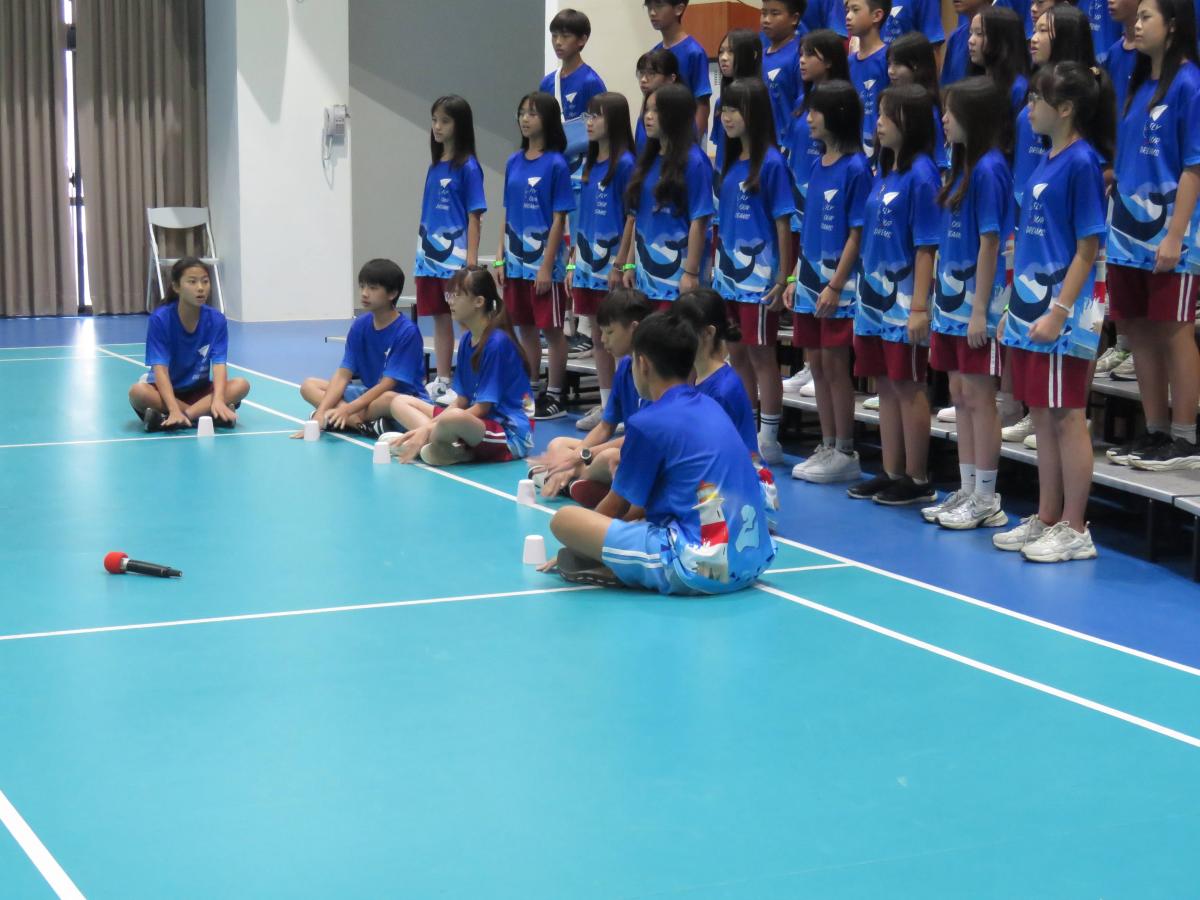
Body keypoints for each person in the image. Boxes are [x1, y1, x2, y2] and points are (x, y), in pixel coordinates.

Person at [540, 311, 776, 594]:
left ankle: (619, 567)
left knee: (565, 520)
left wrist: (580, 544)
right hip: (753, 560)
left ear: (642, 363)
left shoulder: (647, 422)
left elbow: (615, 507)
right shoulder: (711, 405)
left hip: (703, 568)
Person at [995, 61, 1111, 561]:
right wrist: (1016, 308)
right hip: (1033, 309)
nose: (1029, 109)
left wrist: (1060, 311)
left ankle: (1076, 527)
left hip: (1066, 313)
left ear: (1064, 108)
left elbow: (1088, 247)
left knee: (1067, 416)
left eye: (1036, 100)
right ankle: (1046, 517)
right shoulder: (1046, 159)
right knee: (1042, 415)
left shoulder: (1082, 162)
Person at [1108, 0, 1200, 470]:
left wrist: (1175, 235)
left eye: (1147, 17)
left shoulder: (1190, 84)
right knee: (1139, 331)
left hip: (1171, 234)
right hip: (1126, 232)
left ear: (1174, 25)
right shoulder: (1139, 83)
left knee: (1174, 330)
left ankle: (1185, 438)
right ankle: (1155, 429)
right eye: (1137, 16)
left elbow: (1193, 168)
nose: (1137, 24)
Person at [924, 78, 1014, 530]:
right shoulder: (960, 167)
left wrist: (980, 310)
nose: (944, 119)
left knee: (979, 398)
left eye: (951, 111)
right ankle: (966, 487)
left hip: (978, 304)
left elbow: (990, 242)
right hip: (950, 302)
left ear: (974, 117)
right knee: (959, 395)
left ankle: (986, 498)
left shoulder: (989, 169)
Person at [847, 85, 941, 506]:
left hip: (904, 299)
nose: (879, 123)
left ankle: (918, 478)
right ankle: (891, 470)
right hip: (873, 295)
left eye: (888, 115)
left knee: (908, 383)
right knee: (883, 383)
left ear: (911, 121)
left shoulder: (922, 174)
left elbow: (926, 246)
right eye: (879, 114)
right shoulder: (886, 170)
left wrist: (919, 306)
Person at [790, 80, 870, 484]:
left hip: (839, 285)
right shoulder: (817, 163)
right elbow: (808, 229)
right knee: (817, 364)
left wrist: (836, 285)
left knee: (837, 367)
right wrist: (795, 276)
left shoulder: (856, 168)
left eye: (815, 111)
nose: (809, 119)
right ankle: (826, 443)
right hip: (809, 281)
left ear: (837, 114)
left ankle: (845, 449)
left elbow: (857, 232)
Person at [713, 78, 796, 465]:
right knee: (737, 354)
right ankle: (744, 430)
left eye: (735, 109)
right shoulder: (731, 164)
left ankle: (769, 437)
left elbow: (783, 223)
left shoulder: (773, 164)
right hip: (728, 279)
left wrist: (783, 276)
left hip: (759, 281)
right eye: (724, 109)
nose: (726, 117)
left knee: (763, 356)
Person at [389, 267, 535, 466]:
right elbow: (462, 399)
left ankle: (433, 442)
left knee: (452, 418)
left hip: (509, 433)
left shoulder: (497, 343)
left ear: (479, 301)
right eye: (449, 295)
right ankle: (439, 444)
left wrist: (429, 427)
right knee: (400, 402)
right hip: (475, 423)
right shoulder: (467, 339)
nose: (450, 301)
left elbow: (483, 407)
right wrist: (430, 427)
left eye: (456, 295)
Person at [529, 288, 654, 506]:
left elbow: (637, 439)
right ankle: (576, 481)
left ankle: (567, 479)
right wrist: (577, 453)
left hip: (645, 455)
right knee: (559, 443)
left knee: (608, 457)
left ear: (634, 328)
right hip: (626, 452)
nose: (603, 340)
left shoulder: (654, 373)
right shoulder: (625, 367)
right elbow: (606, 426)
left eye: (610, 332)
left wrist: (580, 456)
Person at [495, 91, 576, 420]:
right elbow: (507, 212)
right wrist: (500, 257)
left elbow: (559, 218)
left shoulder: (557, 164)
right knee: (524, 327)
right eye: (521, 113)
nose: (524, 119)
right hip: (515, 262)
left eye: (532, 113)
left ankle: (555, 394)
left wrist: (546, 266)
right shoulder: (513, 161)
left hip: (545, 266)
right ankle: (529, 389)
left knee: (552, 330)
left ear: (548, 119)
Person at [677, 288, 781, 523]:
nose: (676, 338)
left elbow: (715, 458)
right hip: (719, 478)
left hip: (740, 491)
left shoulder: (723, 390)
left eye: (682, 330)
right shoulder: (696, 377)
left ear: (708, 333)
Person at [567, 92, 637, 434]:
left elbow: (631, 218)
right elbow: (581, 218)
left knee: (620, 341)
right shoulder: (589, 164)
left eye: (597, 116)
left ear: (616, 121)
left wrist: (621, 263)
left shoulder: (625, 164)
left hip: (611, 266)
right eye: (588, 116)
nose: (590, 123)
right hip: (585, 264)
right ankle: (608, 405)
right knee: (598, 337)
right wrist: (572, 261)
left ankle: (627, 405)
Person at [298, 259, 428, 436]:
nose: (364, 293)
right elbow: (343, 374)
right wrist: (320, 415)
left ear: (392, 293)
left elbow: (387, 385)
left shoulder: (407, 332)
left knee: (389, 399)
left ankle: (340, 419)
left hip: (402, 400)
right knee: (309, 385)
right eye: (362, 286)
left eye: (373, 288)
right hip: (369, 396)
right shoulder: (360, 325)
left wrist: (347, 409)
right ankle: (358, 423)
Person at [415, 95, 486, 405]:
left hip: (454, 260)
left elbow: (475, 216)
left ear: (460, 125)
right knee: (439, 318)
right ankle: (443, 380)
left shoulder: (469, 167)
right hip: (427, 258)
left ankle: (468, 383)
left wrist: (470, 261)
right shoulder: (434, 167)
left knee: (464, 319)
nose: (437, 127)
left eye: (444, 121)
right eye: (434, 120)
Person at [618, 84, 715, 308]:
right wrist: (630, 265)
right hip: (645, 277)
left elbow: (700, 221)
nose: (648, 116)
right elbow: (638, 219)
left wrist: (691, 273)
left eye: (657, 111)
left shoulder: (695, 161)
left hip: (678, 279)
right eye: (647, 110)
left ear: (676, 115)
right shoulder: (647, 160)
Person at [131, 257, 249, 432]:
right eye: (192, 282)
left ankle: (181, 417)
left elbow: (219, 366)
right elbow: (160, 370)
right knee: (138, 392)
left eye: (205, 281)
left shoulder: (217, 320)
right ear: (176, 287)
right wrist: (173, 407)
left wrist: (218, 399)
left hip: (199, 392)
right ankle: (206, 415)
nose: (200, 288)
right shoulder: (160, 319)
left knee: (241, 384)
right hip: (166, 392)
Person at [540, 8, 607, 243]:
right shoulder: (548, 83)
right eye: (554, 35)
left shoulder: (591, 81)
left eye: (565, 36)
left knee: (576, 236)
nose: (558, 42)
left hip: (580, 172)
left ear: (582, 40)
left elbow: (601, 129)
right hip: (553, 166)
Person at [644, 0, 713, 140]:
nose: (652, 12)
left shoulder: (694, 52)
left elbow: (702, 104)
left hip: (685, 136)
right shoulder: (654, 52)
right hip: (659, 136)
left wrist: (693, 141)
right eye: (649, 7)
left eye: (659, 5)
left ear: (679, 9)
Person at [887, 33, 950, 171]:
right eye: (889, 64)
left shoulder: (928, 110)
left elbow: (938, 163)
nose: (890, 71)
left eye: (897, 64)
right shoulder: (892, 103)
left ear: (916, 66)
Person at [711, 30, 763, 183]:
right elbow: (720, 146)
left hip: (750, 178)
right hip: (722, 176)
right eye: (721, 52)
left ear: (752, 55)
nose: (723, 58)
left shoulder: (761, 101)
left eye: (731, 52)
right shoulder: (720, 102)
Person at [846, 0, 891, 157]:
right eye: (847, 10)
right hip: (853, 147)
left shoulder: (888, 59)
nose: (848, 16)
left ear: (877, 15)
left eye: (855, 10)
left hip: (881, 148)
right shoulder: (848, 62)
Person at [760, 0, 807, 146]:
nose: (766, 20)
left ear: (794, 18)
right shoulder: (759, 56)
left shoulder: (800, 55)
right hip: (762, 143)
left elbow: (803, 105)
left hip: (789, 145)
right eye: (764, 13)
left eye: (775, 14)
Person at [633, 49, 681, 153]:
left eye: (651, 73)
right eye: (641, 73)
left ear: (671, 78)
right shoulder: (644, 114)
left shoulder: (680, 116)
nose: (643, 79)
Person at [943, 0, 991, 86]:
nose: (971, 41)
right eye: (971, 33)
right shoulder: (956, 37)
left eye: (980, 33)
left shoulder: (1002, 31)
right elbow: (946, 86)